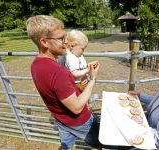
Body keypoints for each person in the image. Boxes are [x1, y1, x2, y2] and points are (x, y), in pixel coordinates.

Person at [26, 15, 102, 150]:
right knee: (99, 144)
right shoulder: (57, 72)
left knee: (66, 146)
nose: (66, 42)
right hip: (80, 121)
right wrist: (93, 79)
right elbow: (77, 107)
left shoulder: (35, 65)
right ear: (44, 42)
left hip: (61, 120)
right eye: (61, 38)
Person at [58, 30, 99, 104]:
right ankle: (88, 98)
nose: (83, 51)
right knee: (84, 90)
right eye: (82, 49)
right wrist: (87, 70)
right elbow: (75, 73)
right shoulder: (72, 58)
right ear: (72, 46)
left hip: (72, 81)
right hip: (77, 81)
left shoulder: (65, 53)